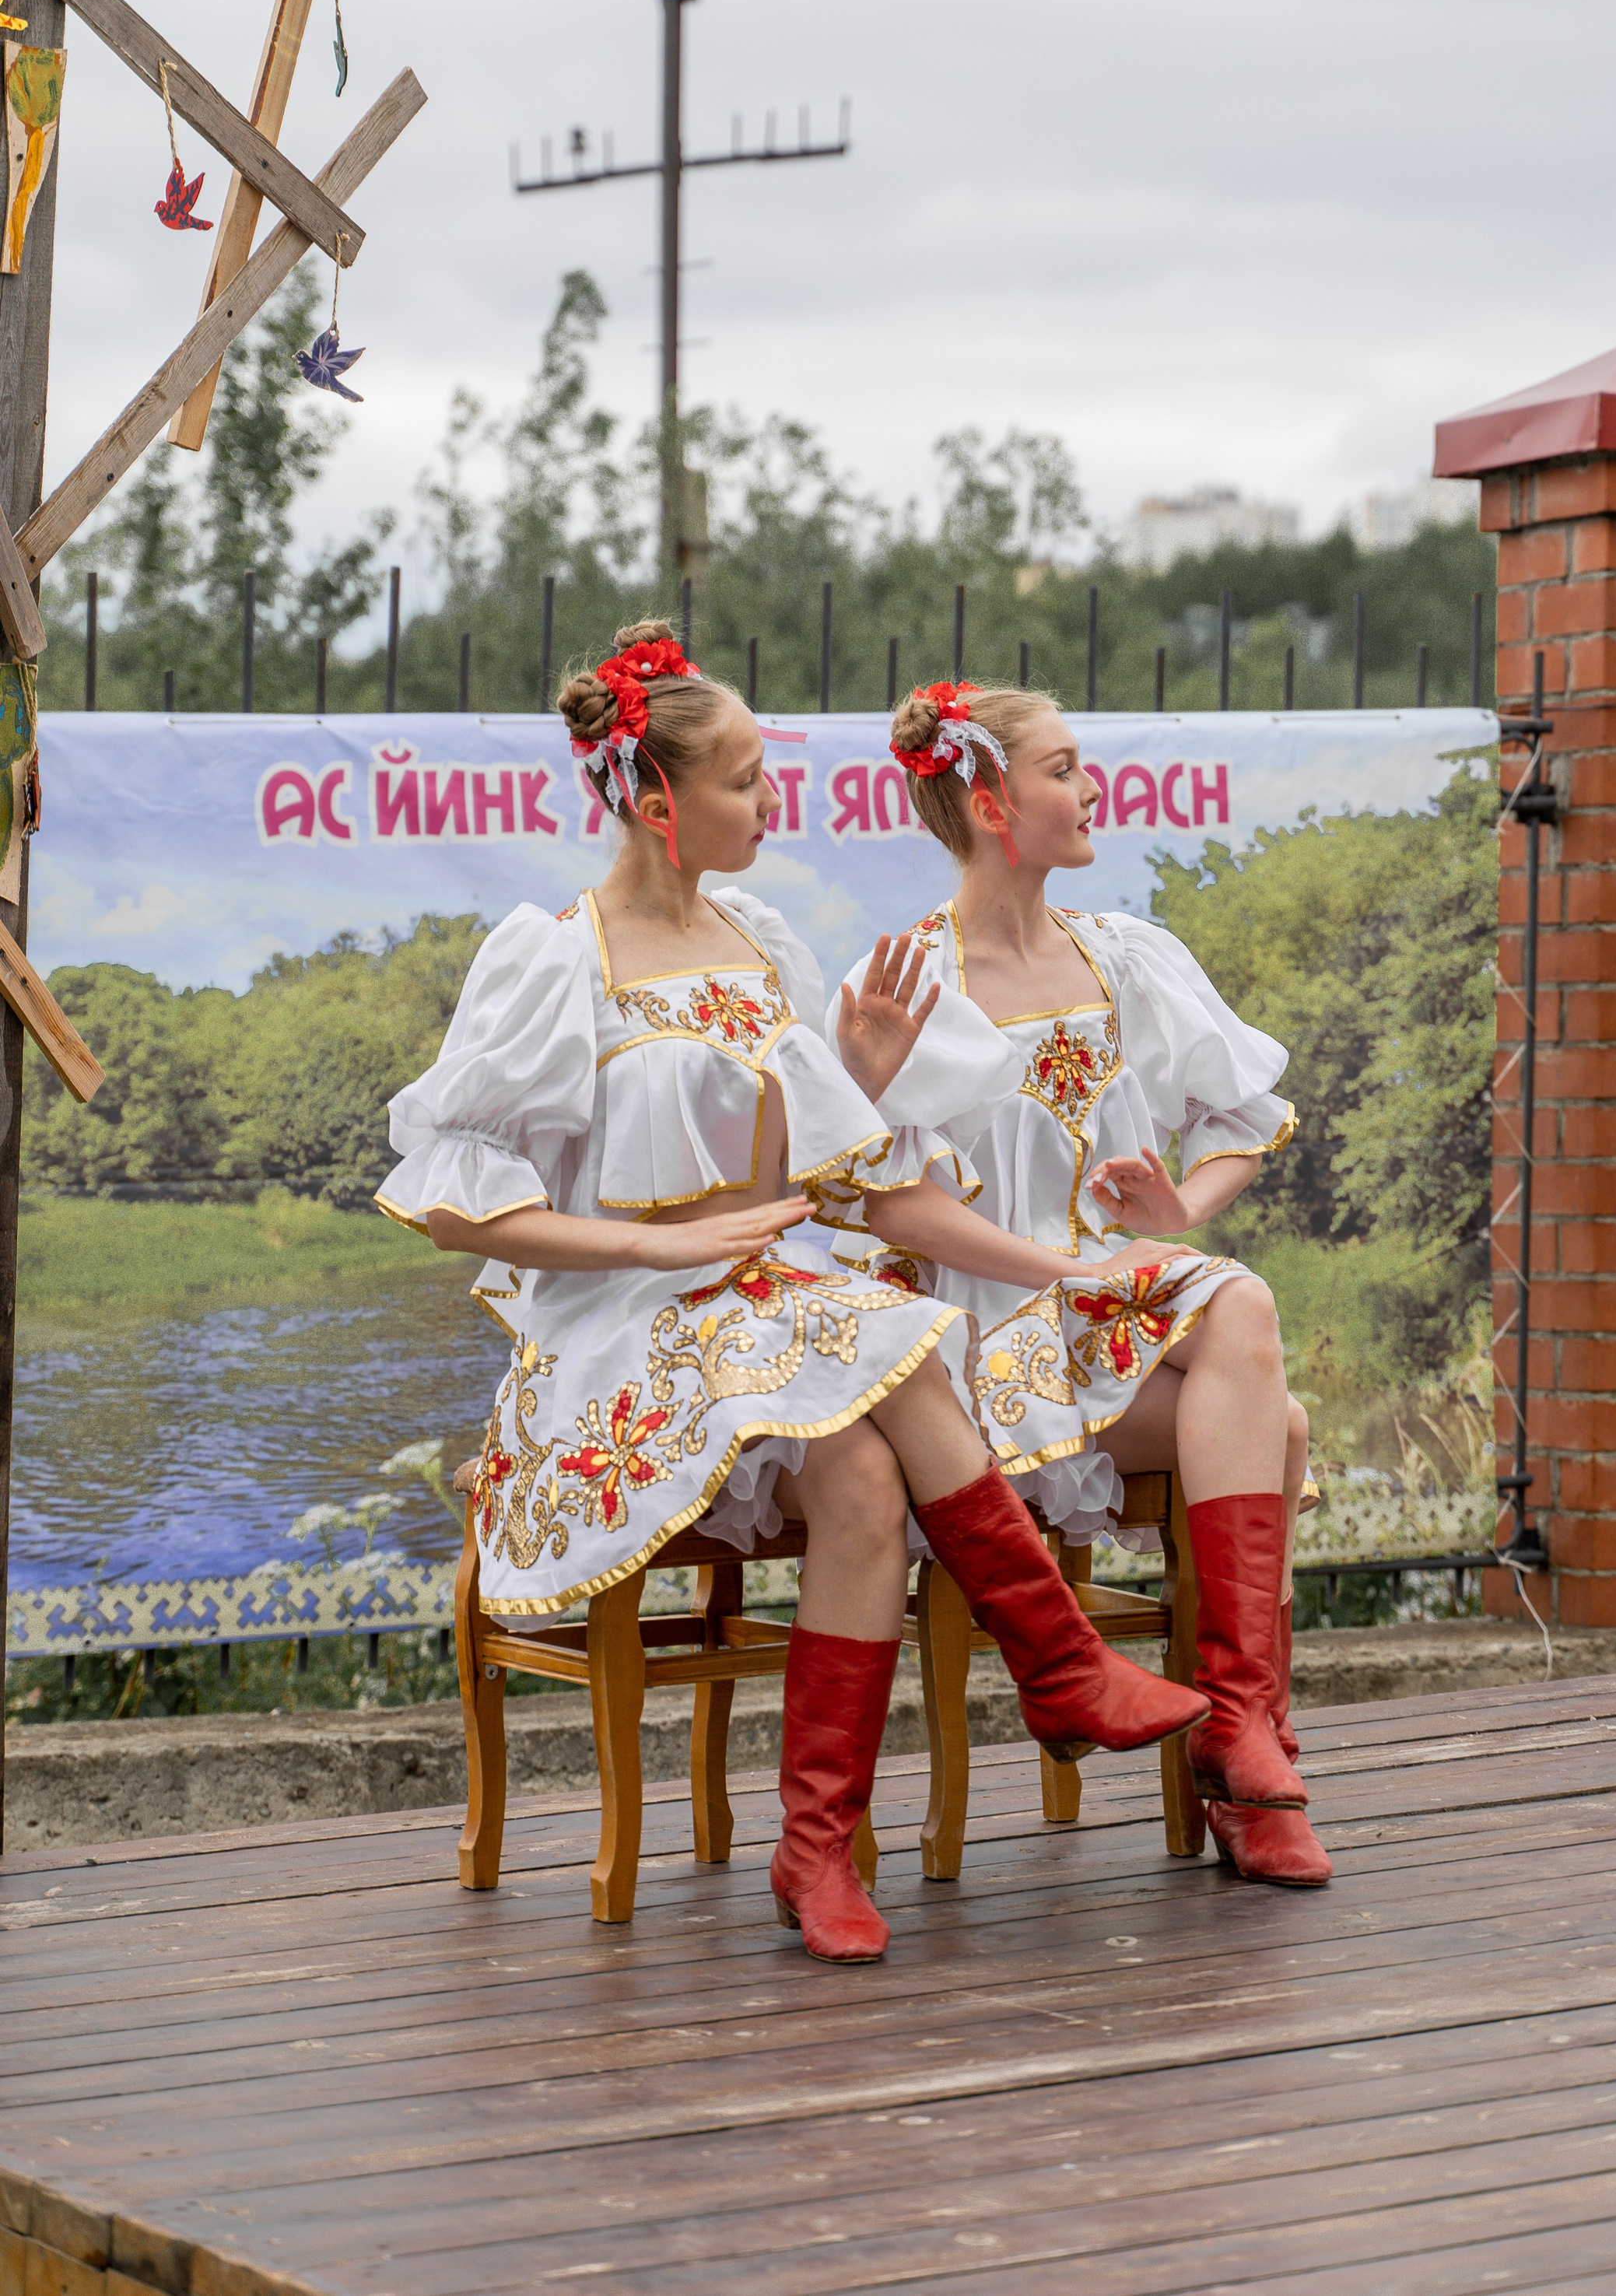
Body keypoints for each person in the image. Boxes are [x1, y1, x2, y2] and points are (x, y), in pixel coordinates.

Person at [376, 626, 1206, 1963]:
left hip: (771, 1297)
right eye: (750, 781)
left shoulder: (761, 940)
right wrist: (649, 1249)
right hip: (624, 1325)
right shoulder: (555, 955)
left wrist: (861, 1078)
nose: (778, 804)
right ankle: (1056, 1665)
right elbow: (455, 1200)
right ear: (659, 802)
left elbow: (809, 1178)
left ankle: (818, 1845)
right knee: (878, 1346)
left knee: (866, 1468)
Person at [829, 678, 1330, 1888]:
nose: (1090, 784)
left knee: (1272, 1395)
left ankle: (1239, 1739)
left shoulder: (1126, 959)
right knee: (1254, 1335)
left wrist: (1176, 1217)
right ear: (991, 799)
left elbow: (1240, 1122)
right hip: (972, 1349)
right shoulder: (902, 985)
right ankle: (1246, 1739)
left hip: (1106, 1326)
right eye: (1062, 766)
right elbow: (884, 1199)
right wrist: (1076, 1264)